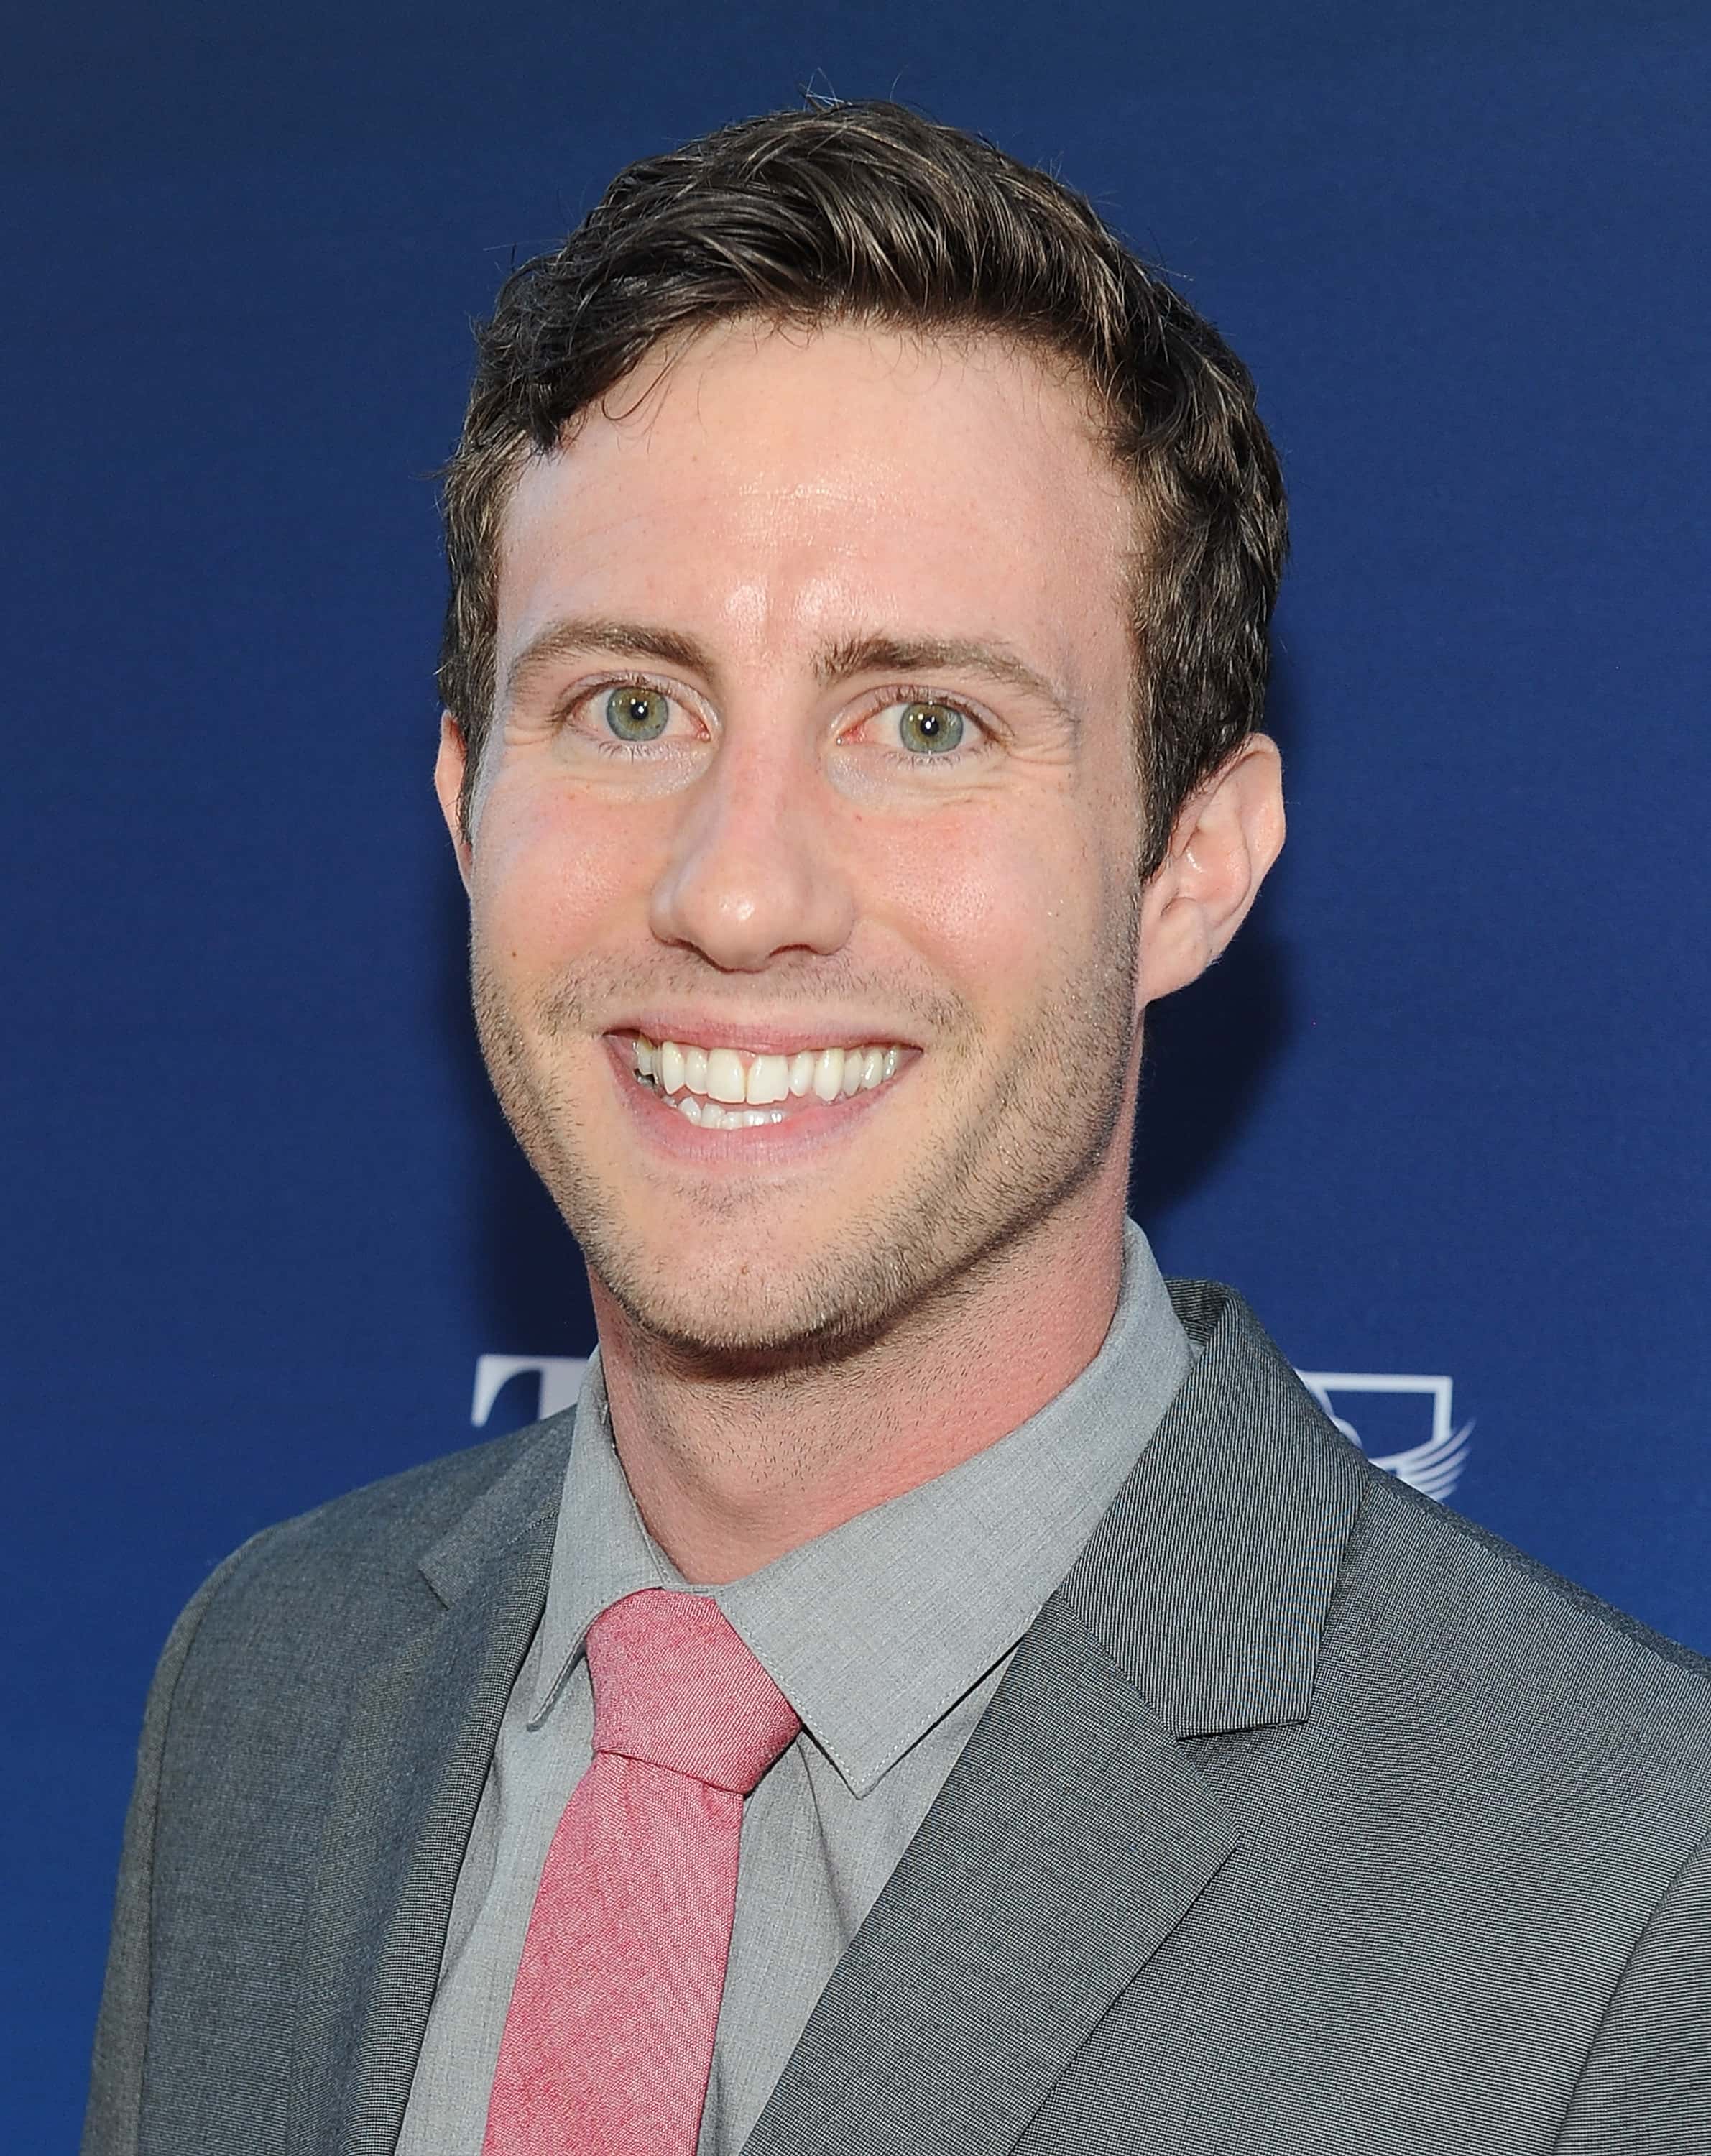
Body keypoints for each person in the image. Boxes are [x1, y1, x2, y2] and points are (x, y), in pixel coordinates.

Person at [83, 99, 1709, 2156]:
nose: (737, 889)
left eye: (926, 724)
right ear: (462, 804)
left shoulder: (1634, 1898)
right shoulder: (269, 1686)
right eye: (630, 709)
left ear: (1193, 868)